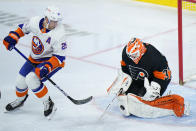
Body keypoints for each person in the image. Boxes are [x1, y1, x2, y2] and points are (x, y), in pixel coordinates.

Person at [2, 6, 67, 117]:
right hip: (34, 58)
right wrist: (13, 37)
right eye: (52, 21)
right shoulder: (35, 21)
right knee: (20, 82)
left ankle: (48, 102)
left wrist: (47, 67)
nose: (55, 24)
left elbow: (60, 57)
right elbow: (22, 29)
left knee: (31, 79)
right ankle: (20, 100)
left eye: (56, 21)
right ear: (46, 19)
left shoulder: (59, 34)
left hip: (50, 60)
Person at [107, 38, 190, 118]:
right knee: (128, 98)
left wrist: (155, 88)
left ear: (141, 50)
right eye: (131, 56)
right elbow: (125, 70)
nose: (133, 58)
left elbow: (164, 76)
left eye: (135, 55)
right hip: (139, 80)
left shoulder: (154, 56)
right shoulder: (125, 54)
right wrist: (124, 81)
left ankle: (173, 103)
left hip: (157, 79)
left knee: (147, 101)